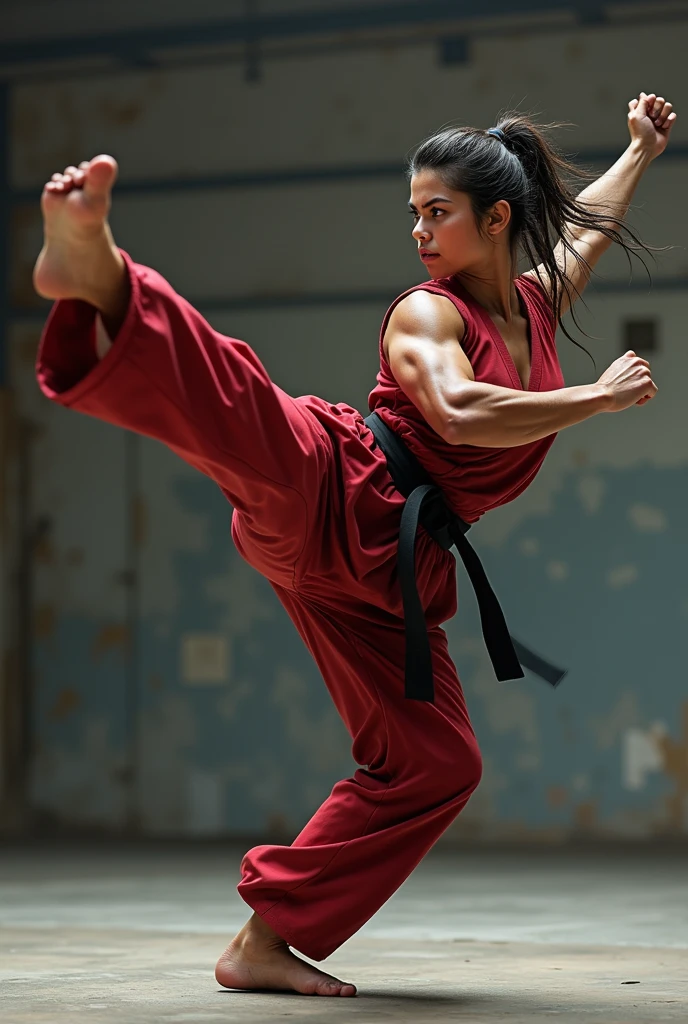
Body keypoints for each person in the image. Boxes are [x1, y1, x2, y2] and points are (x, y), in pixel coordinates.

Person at [33, 91, 674, 998]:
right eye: (412, 212)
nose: (417, 230)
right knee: (241, 406)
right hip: (338, 483)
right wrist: (595, 400)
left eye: (435, 212)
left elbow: (586, 227)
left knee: (437, 761)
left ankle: (265, 942)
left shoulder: (531, 306)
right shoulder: (426, 314)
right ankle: (106, 283)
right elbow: (456, 409)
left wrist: (642, 150)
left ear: (497, 220)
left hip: (387, 571)